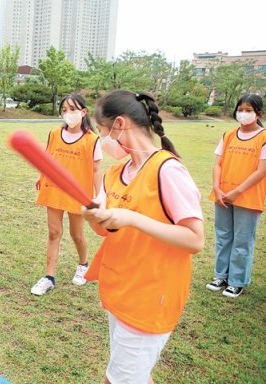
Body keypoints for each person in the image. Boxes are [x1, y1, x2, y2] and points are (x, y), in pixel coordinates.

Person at [81, 90, 204, 384]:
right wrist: (95, 218)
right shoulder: (116, 172)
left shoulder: (167, 170)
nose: (103, 140)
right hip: (121, 290)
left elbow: (194, 240)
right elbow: (110, 230)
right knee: (134, 376)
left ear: (119, 124)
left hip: (151, 299)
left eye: (102, 131)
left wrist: (134, 219)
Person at [30, 94, 102, 296]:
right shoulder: (54, 133)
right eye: (64, 110)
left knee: (76, 234)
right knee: (54, 233)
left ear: (83, 112)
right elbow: (47, 158)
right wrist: (41, 176)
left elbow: (96, 170)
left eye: (73, 109)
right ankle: (49, 277)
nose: (68, 113)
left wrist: (99, 195)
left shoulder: (92, 140)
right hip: (53, 189)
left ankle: (83, 265)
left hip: (78, 193)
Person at [206, 94, 266, 298]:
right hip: (222, 195)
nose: (244, 113)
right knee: (223, 237)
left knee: (242, 240)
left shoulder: (263, 137)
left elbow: (261, 171)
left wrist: (237, 192)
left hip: (247, 197)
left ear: (259, 113)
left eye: (249, 110)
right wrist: (217, 187)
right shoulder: (229, 134)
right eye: (241, 109)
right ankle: (220, 276)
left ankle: (236, 281)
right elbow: (218, 164)